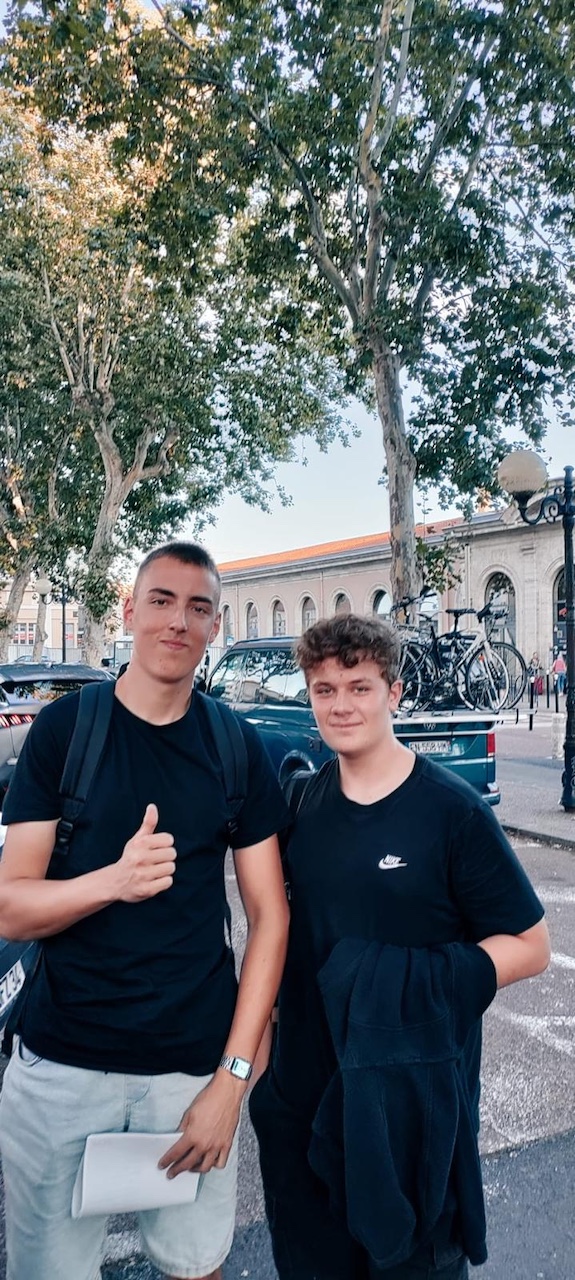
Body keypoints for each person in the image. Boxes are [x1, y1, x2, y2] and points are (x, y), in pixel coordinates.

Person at [0, 541, 290, 1280]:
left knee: (196, 1267)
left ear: (215, 626)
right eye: (161, 600)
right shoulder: (65, 733)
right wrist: (113, 881)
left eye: (198, 608)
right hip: (62, 1065)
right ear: (129, 611)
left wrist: (232, 1080)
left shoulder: (235, 746)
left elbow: (270, 916)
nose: (177, 622)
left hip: (191, 1070)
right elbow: (10, 908)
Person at [250, 614, 550, 1280]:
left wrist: (397, 985)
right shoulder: (302, 802)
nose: (340, 705)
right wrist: (264, 1071)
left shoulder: (453, 811)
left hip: (412, 1104)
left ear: (394, 692)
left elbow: (531, 946)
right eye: (324, 690)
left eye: (358, 687)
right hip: (307, 1098)